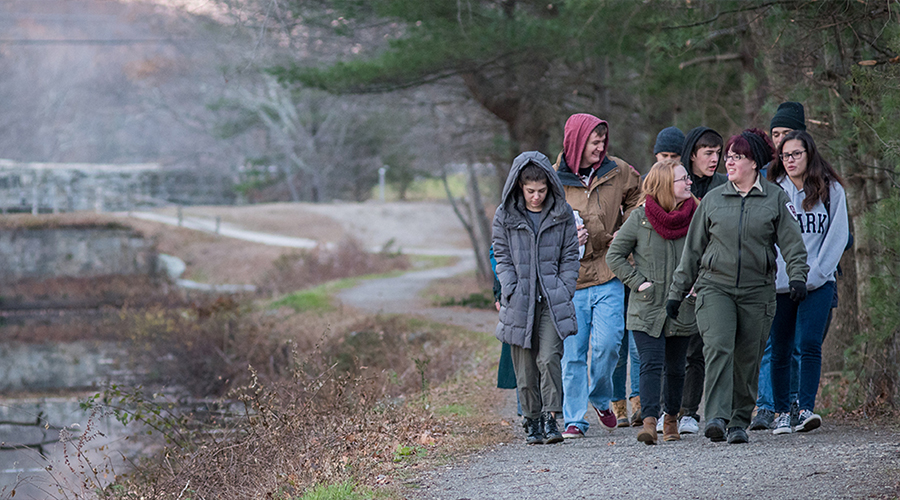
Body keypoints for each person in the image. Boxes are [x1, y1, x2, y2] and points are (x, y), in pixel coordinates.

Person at [667, 128, 809, 445]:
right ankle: (717, 416)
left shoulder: (775, 198)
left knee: (747, 356)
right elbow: (692, 251)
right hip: (715, 287)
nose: (728, 162)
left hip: (758, 290)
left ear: (754, 162)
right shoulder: (713, 200)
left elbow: (792, 245)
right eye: (727, 156)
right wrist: (677, 293)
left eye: (736, 157)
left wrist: (798, 276)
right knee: (719, 347)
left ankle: (738, 421)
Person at [555, 113, 642, 438]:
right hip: (572, 279)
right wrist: (565, 238)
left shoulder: (617, 170)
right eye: (594, 141)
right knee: (574, 354)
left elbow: (640, 196)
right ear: (577, 141)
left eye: (603, 140)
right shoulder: (554, 178)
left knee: (609, 345)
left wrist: (626, 229)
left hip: (609, 270)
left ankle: (601, 396)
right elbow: (544, 219)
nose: (601, 146)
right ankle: (575, 418)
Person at [607, 160, 699, 444]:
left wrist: (697, 283)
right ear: (665, 186)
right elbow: (614, 256)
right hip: (647, 306)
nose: (689, 183)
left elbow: (709, 253)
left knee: (675, 367)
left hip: (681, 304)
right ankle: (648, 422)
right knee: (650, 363)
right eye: (683, 179)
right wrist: (638, 282)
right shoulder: (640, 217)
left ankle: (670, 420)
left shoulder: (697, 215)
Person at [493, 151, 580, 445]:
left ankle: (551, 418)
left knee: (550, 358)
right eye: (530, 191)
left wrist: (565, 286)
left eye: (542, 190)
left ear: (550, 186)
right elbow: (501, 255)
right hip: (519, 299)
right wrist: (510, 286)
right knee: (525, 366)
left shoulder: (562, 212)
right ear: (520, 186)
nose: (536, 197)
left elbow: (570, 254)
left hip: (552, 300)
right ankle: (531, 421)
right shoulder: (504, 215)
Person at [767, 130, 849, 435]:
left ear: (809, 154)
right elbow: (768, 237)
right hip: (781, 283)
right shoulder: (773, 189)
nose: (790, 160)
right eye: (785, 155)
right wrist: (781, 275)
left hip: (818, 281)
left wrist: (814, 275)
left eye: (796, 154)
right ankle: (780, 412)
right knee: (781, 347)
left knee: (810, 344)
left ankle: (804, 409)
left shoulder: (831, 189)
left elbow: (838, 237)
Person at [750, 101, 809, 431]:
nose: (781, 140)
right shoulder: (762, 179)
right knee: (770, 343)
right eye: (776, 134)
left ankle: (795, 404)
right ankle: (765, 405)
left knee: (800, 344)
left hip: (807, 278)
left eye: (788, 133)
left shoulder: (819, 178)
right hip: (769, 276)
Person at [674, 126, 725, 435]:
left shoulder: (724, 185)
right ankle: (681, 410)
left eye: (718, 153)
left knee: (712, 346)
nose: (715, 159)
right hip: (682, 274)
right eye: (708, 153)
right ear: (692, 155)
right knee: (684, 347)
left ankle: (708, 411)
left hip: (716, 274)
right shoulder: (679, 184)